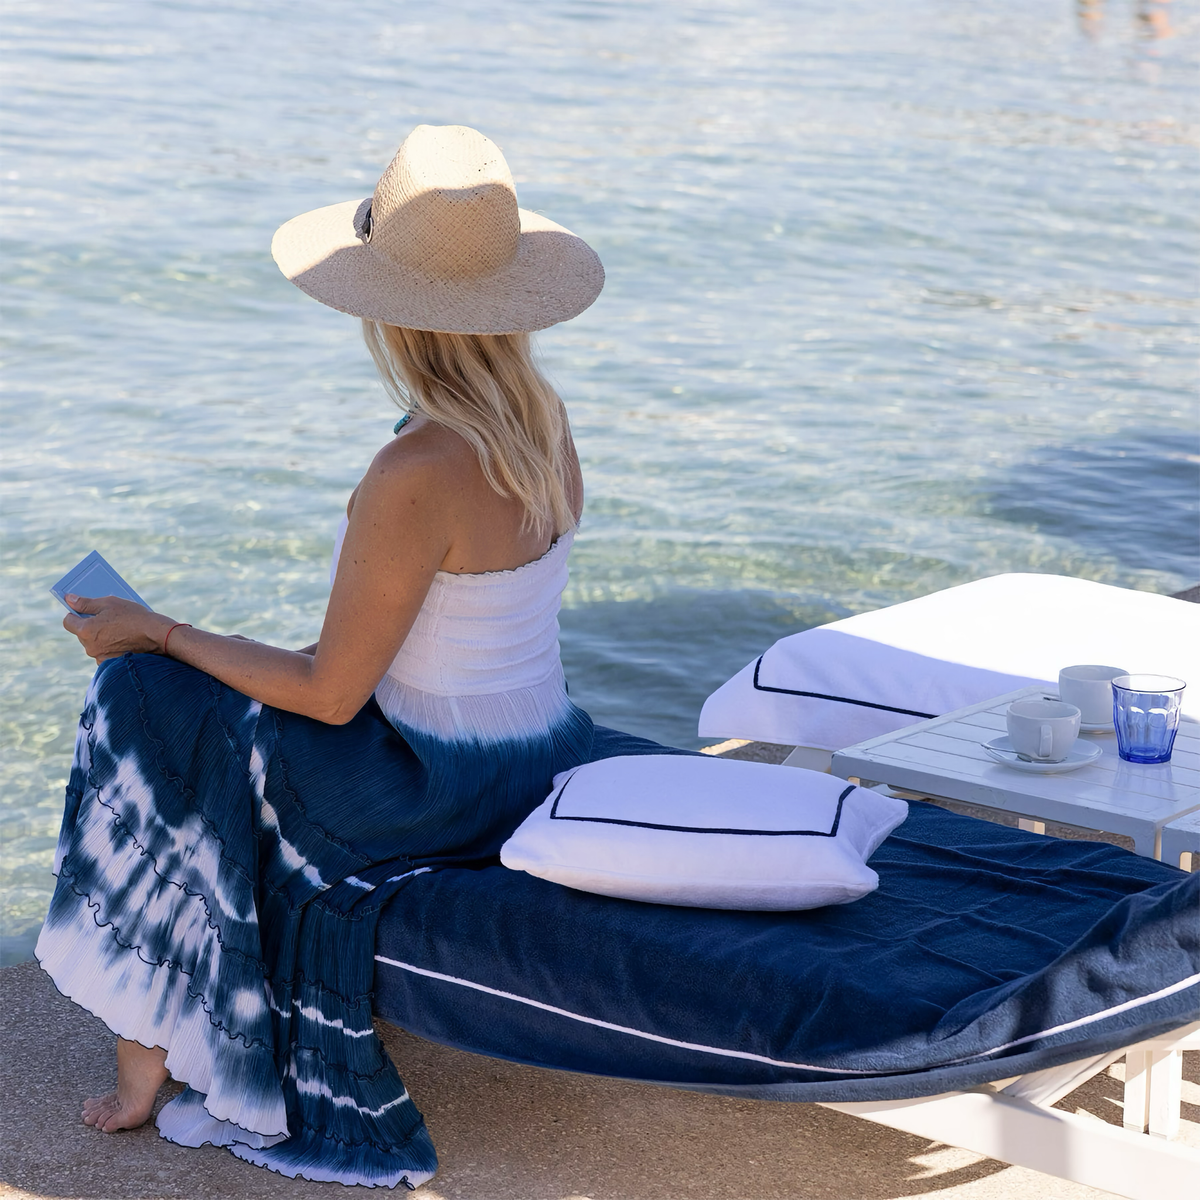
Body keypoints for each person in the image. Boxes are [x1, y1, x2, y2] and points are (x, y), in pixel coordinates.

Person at [37, 124, 622, 1188]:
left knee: (138, 700)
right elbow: (423, 650)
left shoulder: (415, 469)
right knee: (196, 692)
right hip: (531, 757)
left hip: (426, 789)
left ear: (389, 310)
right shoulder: (543, 423)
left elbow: (331, 690)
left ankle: (144, 1044)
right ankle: (152, 1022)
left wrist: (155, 632)